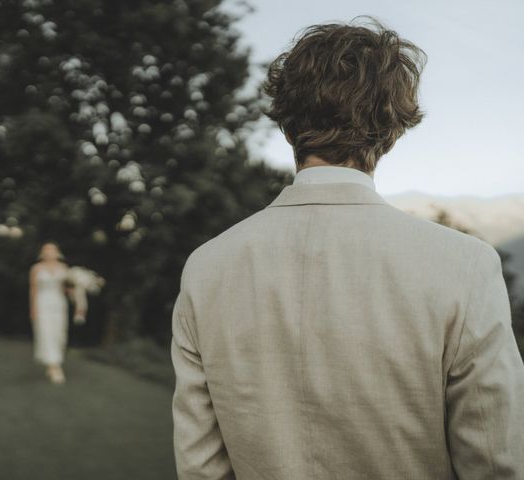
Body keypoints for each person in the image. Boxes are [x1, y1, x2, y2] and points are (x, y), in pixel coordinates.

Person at [170, 16, 524, 480]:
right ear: (391, 130)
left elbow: (200, 467)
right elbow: (496, 461)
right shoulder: (465, 265)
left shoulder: (206, 267)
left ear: (288, 126)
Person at [29, 242, 70, 384]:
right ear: (42, 253)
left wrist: (77, 285)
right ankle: (54, 367)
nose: (49, 252)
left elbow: (66, 289)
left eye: (52, 250)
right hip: (42, 303)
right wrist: (33, 308)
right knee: (46, 333)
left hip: (59, 304)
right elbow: (33, 289)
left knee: (58, 334)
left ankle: (53, 361)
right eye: (46, 250)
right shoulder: (36, 268)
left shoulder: (63, 268)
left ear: (57, 252)